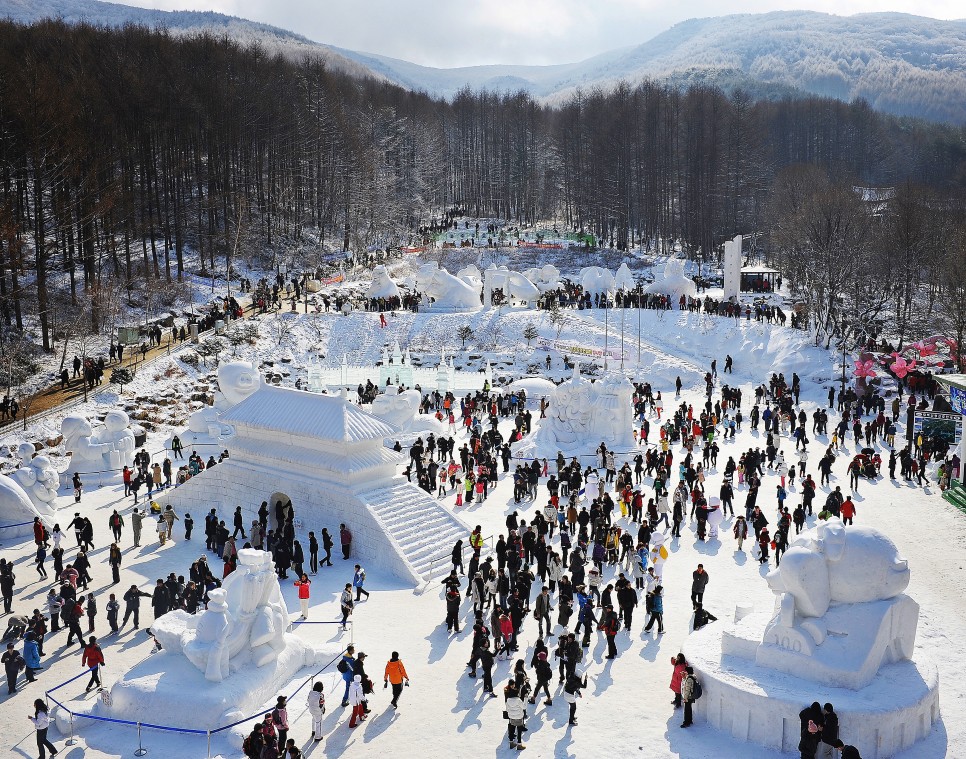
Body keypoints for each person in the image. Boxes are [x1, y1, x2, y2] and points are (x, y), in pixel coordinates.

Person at [504, 681, 527, 749]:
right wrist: (525, 699)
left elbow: (507, 709)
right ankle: (519, 744)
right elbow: (524, 707)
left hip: (511, 717)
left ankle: (511, 743)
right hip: (519, 717)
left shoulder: (508, 700)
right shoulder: (518, 700)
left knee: (512, 729)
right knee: (519, 731)